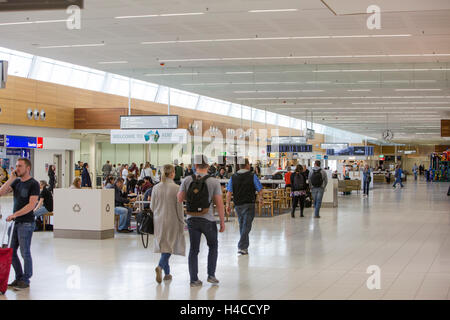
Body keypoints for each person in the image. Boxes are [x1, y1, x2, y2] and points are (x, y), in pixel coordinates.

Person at [178, 154, 225, 287]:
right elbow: (219, 203)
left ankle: (194, 279)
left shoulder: (187, 180)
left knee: (194, 249)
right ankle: (211, 275)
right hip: (208, 219)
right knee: (213, 246)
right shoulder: (214, 181)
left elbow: (179, 199)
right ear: (208, 166)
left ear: (195, 166)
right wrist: (221, 221)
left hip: (192, 219)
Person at [0, 158, 40, 290]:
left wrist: (15, 214)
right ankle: (18, 276)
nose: (17, 168)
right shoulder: (16, 182)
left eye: (20, 166)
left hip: (26, 223)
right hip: (15, 223)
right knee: (10, 252)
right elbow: (1, 192)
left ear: (27, 168)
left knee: (25, 252)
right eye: (16, 166)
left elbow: (31, 205)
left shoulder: (33, 184)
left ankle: (26, 279)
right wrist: (11, 178)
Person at [151, 164, 186, 283]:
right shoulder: (177, 188)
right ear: (172, 173)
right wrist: (182, 222)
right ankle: (160, 266)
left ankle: (167, 274)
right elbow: (179, 208)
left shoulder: (156, 188)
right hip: (172, 220)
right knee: (169, 247)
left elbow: (152, 206)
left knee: (164, 246)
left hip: (158, 220)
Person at [226, 158, 263, 255]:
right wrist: (260, 198)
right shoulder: (252, 176)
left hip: (238, 204)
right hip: (249, 203)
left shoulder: (233, 177)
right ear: (247, 165)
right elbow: (259, 189)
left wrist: (227, 204)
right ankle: (242, 246)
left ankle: (244, 247)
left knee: (243, 225)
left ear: (239, 166)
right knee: (246, 225)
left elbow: (229, 192)